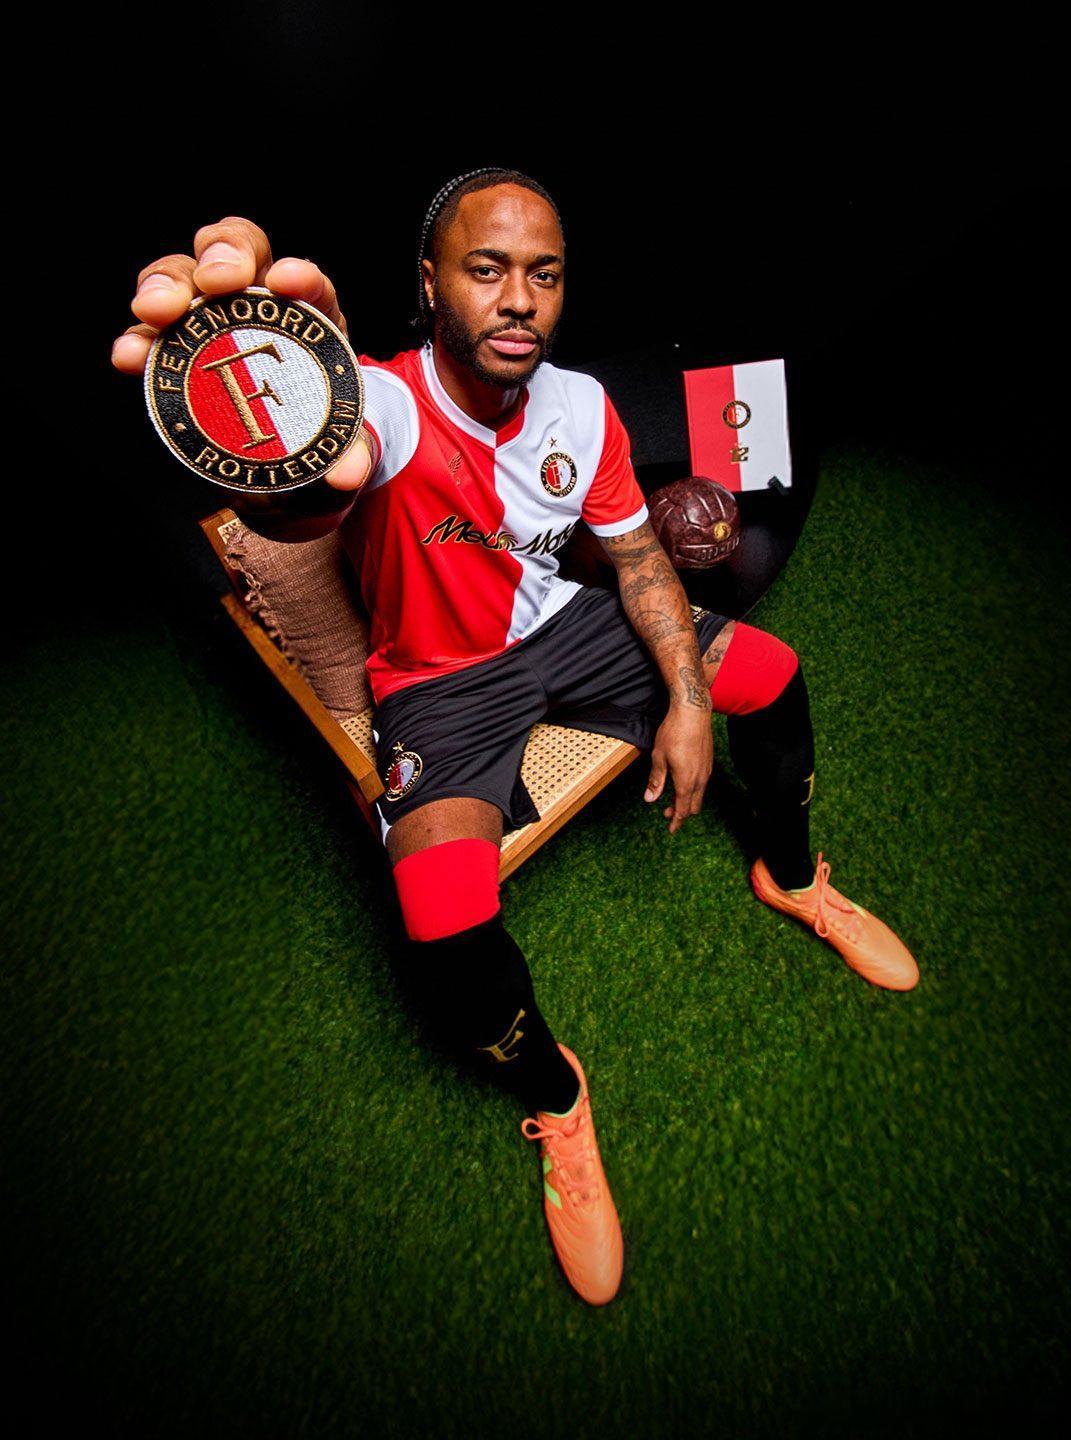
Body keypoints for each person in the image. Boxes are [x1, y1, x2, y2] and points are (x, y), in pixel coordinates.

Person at [113, 168, 919, 1308]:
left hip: (569, 631)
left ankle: (791, 877)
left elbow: (636, 559)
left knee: (774, 676)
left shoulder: (581, 406)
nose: (518, 299)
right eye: (485, 270)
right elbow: (314, 487)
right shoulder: (381, 404)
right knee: (443, 925)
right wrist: (276, 431)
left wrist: (689, 699)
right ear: (429, 283)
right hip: (439, 683)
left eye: (543, 273)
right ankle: (559, 1096)